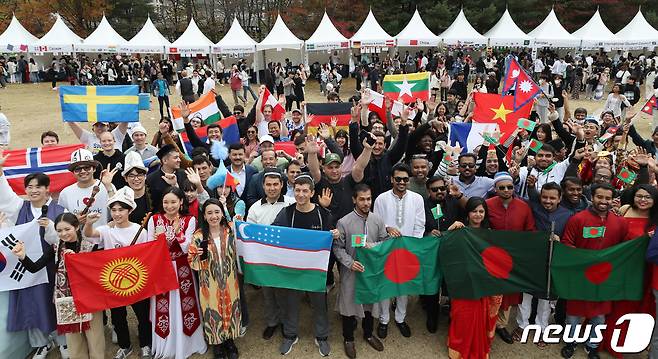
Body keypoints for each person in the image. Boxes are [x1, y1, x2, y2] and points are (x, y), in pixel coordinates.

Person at [11, 213, 105, 358]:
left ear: (76, 227)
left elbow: (99, 273)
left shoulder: (91, 246)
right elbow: (35, 267)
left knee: (95, 339)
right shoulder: (55, 248)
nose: (63, 234)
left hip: (90, 300)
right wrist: (22, 256)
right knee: (74, 343)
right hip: (65, 300)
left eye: (67, 229)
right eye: (59, 231)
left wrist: (78, 260)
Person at [0, 158, 67, 358]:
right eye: (29, 187)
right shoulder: (21, 208)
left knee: (56, 302)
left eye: (39, 187)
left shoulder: (60, 210)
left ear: (48, 189)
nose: (33, 191)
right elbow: (5, 197)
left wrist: (50, 230)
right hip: (27, 267)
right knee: (32, 302)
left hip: (53, 266)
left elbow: (65, 238)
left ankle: (64, 341)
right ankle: (41, 343)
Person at [271, 174, 338, 356]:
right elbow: (274, 233)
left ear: (312, 193)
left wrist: (335, 234)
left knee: (319, 304)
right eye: (297, 190)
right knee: (291, 303)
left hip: (315, 270)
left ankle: (322, 336)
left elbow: (331, 241)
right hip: (292, 270)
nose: (301, 194)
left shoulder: (323, 214)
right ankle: (290, 335)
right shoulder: (287, 212)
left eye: (305, 191)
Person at [560, 183, 628, 359]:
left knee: (599, 315)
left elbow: (624, 249)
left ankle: (592, 346)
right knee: (573, 314)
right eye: (599, 197)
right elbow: (567, 243)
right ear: (592, 197)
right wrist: (583, 260)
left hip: (604, 278)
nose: (603, 201)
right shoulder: (578, 219)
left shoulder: (620, 223)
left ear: (613, 200)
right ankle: (571, 342)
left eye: (607, 198)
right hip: (579, 277)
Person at [82, 187, 151, 359]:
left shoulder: (140, 231)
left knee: (142, 314)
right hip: (114, 280)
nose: (117, 214)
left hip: (136, 279)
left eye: (121, 210)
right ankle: (124, 346)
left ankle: (145, 344)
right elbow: (89, 234)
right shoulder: (107, 230)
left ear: (129, 211)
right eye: (113, 210)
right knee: (118, 316)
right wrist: (89, 223)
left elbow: (148, 255)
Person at [146, 187, 206, 358]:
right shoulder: (154, 219)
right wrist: (165, 240)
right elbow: (150, 244)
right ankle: (166, 345)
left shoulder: (189, 220)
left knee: (184, 304)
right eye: (166, 202)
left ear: (181, 202)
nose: (169, 206)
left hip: (181, 267)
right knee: (164, 306)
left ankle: (187, 343)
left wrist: (169, 237)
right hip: (162, 267)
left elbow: (188, 245)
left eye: (173, 202)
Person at [601, 184, 658, 358]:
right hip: (622, 267)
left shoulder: (656, 219)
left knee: (638, 306)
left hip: (646, 271)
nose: (643, 200)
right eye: (639, 196)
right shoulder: (624, 210)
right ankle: (608, 340)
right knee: (617, 304)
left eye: (648, 197)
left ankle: (630, 343)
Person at [373, 163, 425, 338]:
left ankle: (401, 318)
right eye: (398, 179)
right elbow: (377, 223)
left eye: (405, 179)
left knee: (403, 286)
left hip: (407, 249)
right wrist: (387, 228)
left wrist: (413, 246)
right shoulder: (381, 198)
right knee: (385, 284)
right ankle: (383, 320)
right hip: (386, 248)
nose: (402, 182)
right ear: (391, 179)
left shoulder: (417, 199)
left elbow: (420, 225)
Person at [334, 184, 387, 358]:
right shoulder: (344, 222)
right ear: (354, 200)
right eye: (362, 199)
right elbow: (338, 248)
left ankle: (368, 334)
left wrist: (373, 246)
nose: (366, 203)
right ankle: (348, 339)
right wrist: (350, 263)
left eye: (369, 199)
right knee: (349, 306)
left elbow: (385, 243)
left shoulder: (378, 220)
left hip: (371, 273)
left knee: (370, 306)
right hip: (352, 272)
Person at [445, 197, 500, 359]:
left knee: (480, 316)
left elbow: (495, 259)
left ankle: (478, 344)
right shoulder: (459, 231)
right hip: (462, 282)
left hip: (482, 283)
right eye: (474, 211)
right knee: (462, 315)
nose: (477, 215)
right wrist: (450, 230)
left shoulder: (490, 234)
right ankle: (458, 346)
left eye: (481, 211)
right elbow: (444, 248)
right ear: (467, 214)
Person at [486, 171, 536, 345]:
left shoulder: (524, 207)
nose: (506, 190)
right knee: (491, 292)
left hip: (514, 259)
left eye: (509, 187)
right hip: (492, 258)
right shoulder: (487, 205)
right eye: (502, 187)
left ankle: (501, 325)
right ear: (495, 189)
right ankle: (486, 323)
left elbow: (530, 231)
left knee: (508, 293)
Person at [188, 199, 241, 359]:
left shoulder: (231, 230)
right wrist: (196, 255)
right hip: (209, 282)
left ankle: (229, 341)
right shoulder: (198, 236)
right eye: (209, 213)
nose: (214, 216)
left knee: (231, 308)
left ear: (222, 213)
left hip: (230, 280)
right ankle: (217, 344)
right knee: (212, 311)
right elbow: (193, 262)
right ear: (204, 216)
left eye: (217, 212)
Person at [58, 149, 116, 229]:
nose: (82, 171)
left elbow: (118, 210)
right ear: (73, 172)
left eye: (87, 167)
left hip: (104, 238)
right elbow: (61, 222)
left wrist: (108, 186)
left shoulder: (107, 186)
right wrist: (75, 221)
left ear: (94, 169)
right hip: (78, 240)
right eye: (77, 169)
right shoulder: (65, 193)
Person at [145, 144, 187, 209]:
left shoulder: (184, 174)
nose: (179, 160)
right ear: (165, 161)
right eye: (175, 158)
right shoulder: (151, 179)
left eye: (179, 157)